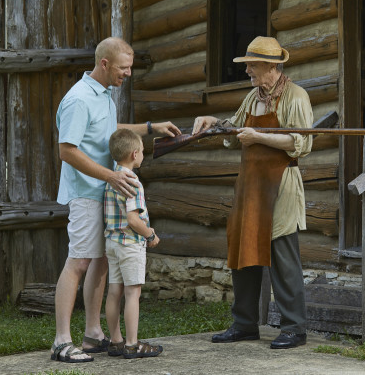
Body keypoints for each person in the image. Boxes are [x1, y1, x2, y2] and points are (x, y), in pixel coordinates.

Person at [51, 37, 179, 363]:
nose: (129, 74)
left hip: (104, 194)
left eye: (130, 67)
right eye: (124, 68)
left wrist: (150, 127)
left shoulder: (105, 95)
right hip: (85, 192)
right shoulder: (78, 99)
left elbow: (111, 128)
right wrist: (110, 175)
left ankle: (93, 334)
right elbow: (67, 150)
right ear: (105, 64)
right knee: (79, 261)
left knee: (101, 262)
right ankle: (61, 341)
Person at [193, 36, 314, 349]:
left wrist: (259, 137)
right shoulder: (252, 98)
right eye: (246, 64)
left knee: (283, 256)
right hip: (250, 184)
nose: (247, 69)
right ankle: (245, 324)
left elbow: (301, 143)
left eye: (252, 65)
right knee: (243, 251)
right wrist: (214, 124)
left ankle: (294, 329)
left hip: (281, 185)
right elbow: (235, 133)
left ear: (272, 66)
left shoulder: (295, 96)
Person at [103, 128, 163, 359]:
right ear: (134, 154)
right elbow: (133, 219)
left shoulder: (111, 178)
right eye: (143, 152)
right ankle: (131, 344)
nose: (144, 156)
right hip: (129, 243)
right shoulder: (132, 181)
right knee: (132, 294)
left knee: (114, 292)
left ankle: (115, 341)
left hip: (113, 243)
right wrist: (150, 235)